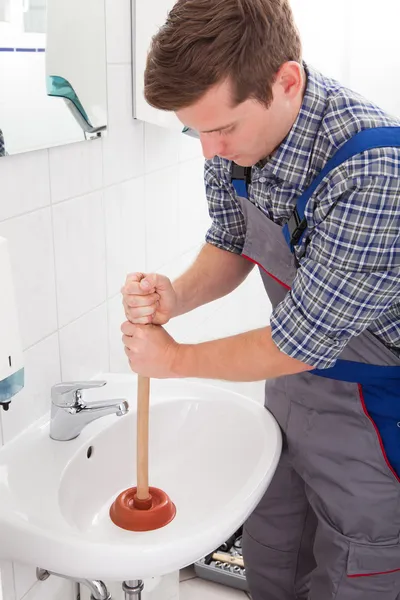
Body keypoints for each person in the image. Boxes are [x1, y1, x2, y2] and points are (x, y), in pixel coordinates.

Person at [120, 1, 400, 598]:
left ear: (287, 82)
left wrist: (173, 361)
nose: (209, 151)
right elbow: (231, 243)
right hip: (290, 393)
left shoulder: (375, 168)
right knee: (274, 550)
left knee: (358, 570)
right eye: (195, 130)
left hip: (376, 413)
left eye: (222, 128)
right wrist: (177, 295)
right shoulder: (231, 145)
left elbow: (297, 340)